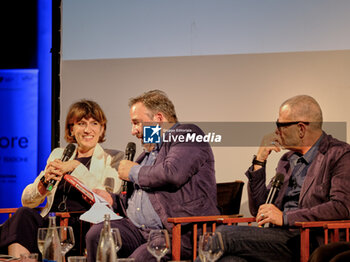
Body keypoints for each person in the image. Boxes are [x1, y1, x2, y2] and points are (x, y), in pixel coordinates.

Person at [211, 95, 350, 262]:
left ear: (301, 129)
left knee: (222, 234)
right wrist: (260, 160)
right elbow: (259, 209)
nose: (276, 131)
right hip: (279, 238)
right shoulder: (287, 160)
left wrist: (285, 218)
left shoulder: (340, 154)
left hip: (311, 239)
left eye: (280, 125)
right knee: (229, 260)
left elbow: (342, 207)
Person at [86, 90, 219, 262]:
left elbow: (172, 173)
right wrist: (112, 200)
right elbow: (143, 197)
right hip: (138, 230)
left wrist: (133, 171)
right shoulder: (148, 155)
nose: (133, 131)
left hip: (174, 233)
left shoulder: (188, 134)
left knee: (140, 258)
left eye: (136, 123)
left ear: (158, 118)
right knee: (97, 235)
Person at [0, 99, 123, 257]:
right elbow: (27, 200)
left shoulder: (112, 158)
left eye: (94, 123)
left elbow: (106, 198)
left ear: (102, 129)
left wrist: (75, 167)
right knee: (23, 215)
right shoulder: (59, 154)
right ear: (71, 129)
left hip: (84, 225)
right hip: (52, 222)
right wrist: (44, 186)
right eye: (81, 123)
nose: (88, 130)